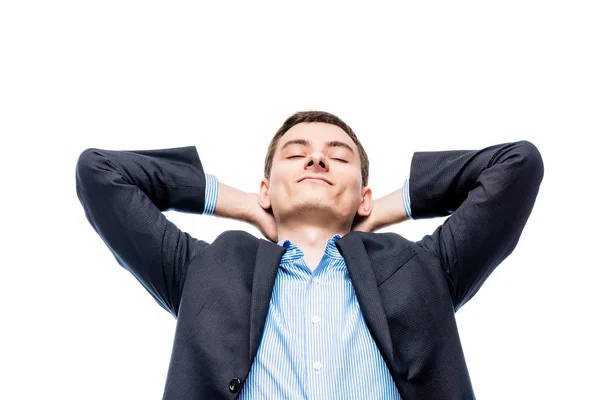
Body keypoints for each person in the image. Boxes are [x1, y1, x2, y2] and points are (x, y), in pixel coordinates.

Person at [75, 110, 544, 399]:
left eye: (338, 158)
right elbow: (100, 173)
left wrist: (379, 211)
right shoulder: (206, 269)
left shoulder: (423, 268)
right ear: (266, 187)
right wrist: (248, 206)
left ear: (362, 193)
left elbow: (517, 166)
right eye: (296, 154)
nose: (317, 160)